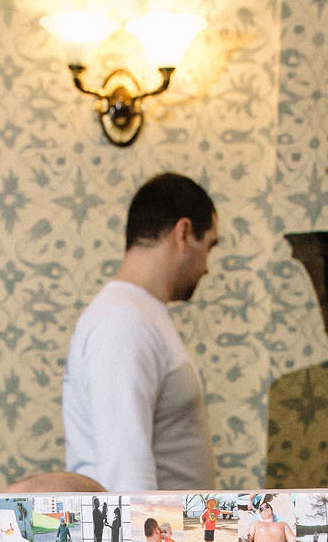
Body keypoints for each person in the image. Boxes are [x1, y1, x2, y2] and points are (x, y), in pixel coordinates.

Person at [62, 174, 220, 493]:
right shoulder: (124, 320)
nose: (207, 266)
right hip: (154, 537)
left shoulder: (140, 313)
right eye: (209, 246)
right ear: (184, 232)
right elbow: (126, 471)